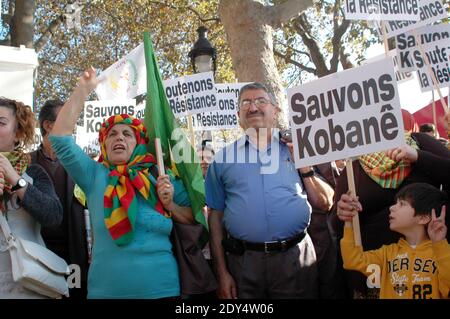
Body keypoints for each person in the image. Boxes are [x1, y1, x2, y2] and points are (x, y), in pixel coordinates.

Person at [49, 68, 194, 299]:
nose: (119, 137)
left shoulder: (161, 174)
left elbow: (196, 218)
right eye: (112, 134)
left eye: (127, 134)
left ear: (138, 144)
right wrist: (82, 91)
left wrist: (171, 205)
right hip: (105, 292)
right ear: (104, 145)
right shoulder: (94, 175)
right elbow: (59, 139)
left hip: (163, 290)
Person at [205, 82, 334, 299]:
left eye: (261, 101)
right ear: (238, 115)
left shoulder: (301, 147)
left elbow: (326, 202)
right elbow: (215, 217)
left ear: (275, 111)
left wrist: (305, 166)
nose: (253, 107)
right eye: (246, 102)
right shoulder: (221, 160)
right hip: (243, 265)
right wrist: (222, 272)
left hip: (295, 259)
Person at [331, 128, 450, 298]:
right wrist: (345, 217)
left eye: (401, 203)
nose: (393, 208)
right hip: (375, 275)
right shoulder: (353, 165)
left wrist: (417, 156)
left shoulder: (420, 142)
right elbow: (339, 230)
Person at [336, 183, 450, 299]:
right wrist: (349, 220)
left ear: (423, 218)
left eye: (401, 204)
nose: (391, 208)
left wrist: (440, 245)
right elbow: (352, 259)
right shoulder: (387, 254)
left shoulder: (442, 253)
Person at [0, 97, 63, 298]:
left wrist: (14, 179)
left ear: (17, 133)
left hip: (26, 286)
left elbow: (54, 216)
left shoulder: (33, 172)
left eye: (1, 123)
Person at [29, 99, 89, 299]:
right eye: (67, 118)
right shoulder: (25, 163)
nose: (73, 125)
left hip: (74, 253)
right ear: (48, 125)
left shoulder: (81, 163)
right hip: (35, 252)